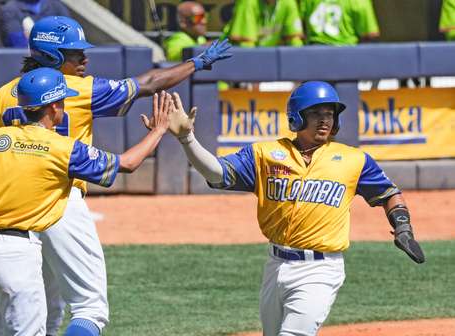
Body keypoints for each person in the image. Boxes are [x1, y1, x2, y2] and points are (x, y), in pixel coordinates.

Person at [0, 16, 231, 336]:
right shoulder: (82, 89)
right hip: (62, 201)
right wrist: (196, 63)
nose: (85, 59)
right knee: (89, 307)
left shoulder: (2, 95)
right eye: (76, 53)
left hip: (10, 210)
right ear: (53, 56)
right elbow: (149, 84)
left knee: (45, 311)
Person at [164, 82, 425, 336]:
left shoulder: (354, 160)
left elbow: (390, 193)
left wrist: (403, 227)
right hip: (275, 265)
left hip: (320, 269)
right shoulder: (265, 154)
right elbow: (218, 173)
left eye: (330, 113)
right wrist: (188, 139)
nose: (325, 120)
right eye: (315, 113)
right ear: (296, 117)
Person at [0, 68, 173, 335]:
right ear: (54, 106)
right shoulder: (63, 147)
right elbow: (127, 163)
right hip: (15, 254)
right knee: (86, 311)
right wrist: (159, 130)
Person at [223, 0, 304, 47]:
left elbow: (294, 40)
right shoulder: (248, 2)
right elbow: (246, 45)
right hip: (229, 56)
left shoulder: (288, 3)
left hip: (266, 58)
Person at [299, 0, 379, 45]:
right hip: (347, 54)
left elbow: (299, 29)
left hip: (314, 53)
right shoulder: (359, 1)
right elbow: (370, 34)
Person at [0, 0, 70, 47]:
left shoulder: (57, 6)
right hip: (27, 64)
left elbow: (70, 36)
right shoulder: (10, 9)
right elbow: (19, 44)